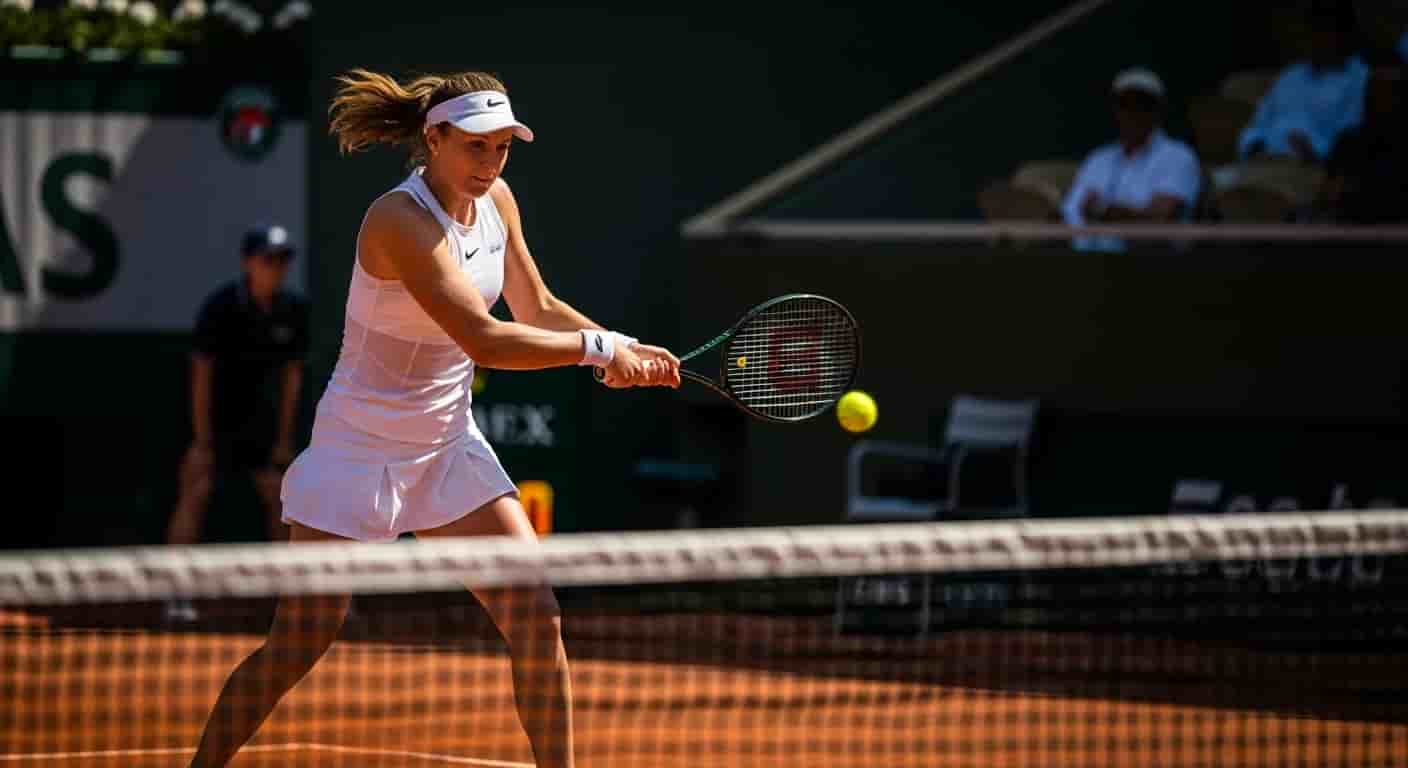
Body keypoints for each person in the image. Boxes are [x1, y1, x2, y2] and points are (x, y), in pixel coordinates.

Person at [185, 69, 680, 768]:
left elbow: (536, 307)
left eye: (502, 148)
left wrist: (622, 345)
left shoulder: (497, 201)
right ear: (434, 138)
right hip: (357, 448)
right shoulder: (398, 221)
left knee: (537, 617)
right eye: (476, 146)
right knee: (299, 640)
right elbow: (484, 339)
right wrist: (597, 352)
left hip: (447, 444)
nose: (491, 163)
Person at [163, 222, 308, 622]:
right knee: (194, 493)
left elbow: (292, 380)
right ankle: (175, 594)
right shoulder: (220, 308)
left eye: (282, 260)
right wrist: (202, 439)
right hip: (217, 426)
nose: (276, 267)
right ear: (248, 262)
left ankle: (289, 596)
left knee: (283, 503)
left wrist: (283, 438)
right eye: (268, 259)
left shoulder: (293, 310)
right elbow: (201, 376)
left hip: (263, 428)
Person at [1061, 67, 1202, 252]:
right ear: (1116, 110)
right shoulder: (1098, 159)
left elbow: (1159, 220)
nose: (1134, 112)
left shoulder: (1178, 156)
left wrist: (1102, 211)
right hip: (1085, 259)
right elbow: (1071, 214)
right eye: (1125, 104)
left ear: (1159, 110)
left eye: (1143, 105)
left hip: (1152, 263)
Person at [1237, 0, 1368, 163]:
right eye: (1313, 31)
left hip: (1313, 167)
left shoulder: (1359, 80)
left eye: (1325, 31)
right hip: (1263, 160)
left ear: (1344, 34)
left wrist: (1314, 154)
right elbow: (1256, 126)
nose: (1316, 39)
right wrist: (1255, 148)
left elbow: (1351, 140)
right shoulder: (1290, 76)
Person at [1307, 65, 1408, 223]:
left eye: (1392, 93)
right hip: (1353, 228)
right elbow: (1328, 195)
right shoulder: (1349, 141)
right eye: (1375, 92)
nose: (1382, 99)